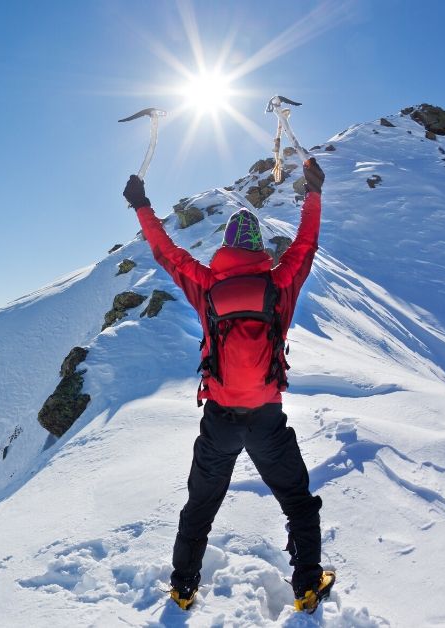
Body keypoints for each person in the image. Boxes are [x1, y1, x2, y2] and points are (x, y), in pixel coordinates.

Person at [123, 158, 335, 613]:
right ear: (260, 246)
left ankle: (183, 588)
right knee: (298, 502)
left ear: (225, 246)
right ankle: (308, 586)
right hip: (266, 421)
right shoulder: (279, 284)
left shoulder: (206, 285)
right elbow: (307, 244)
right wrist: (313, 193)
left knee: (200, 507)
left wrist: (141, 205)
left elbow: (165, 252)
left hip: (219, 419)